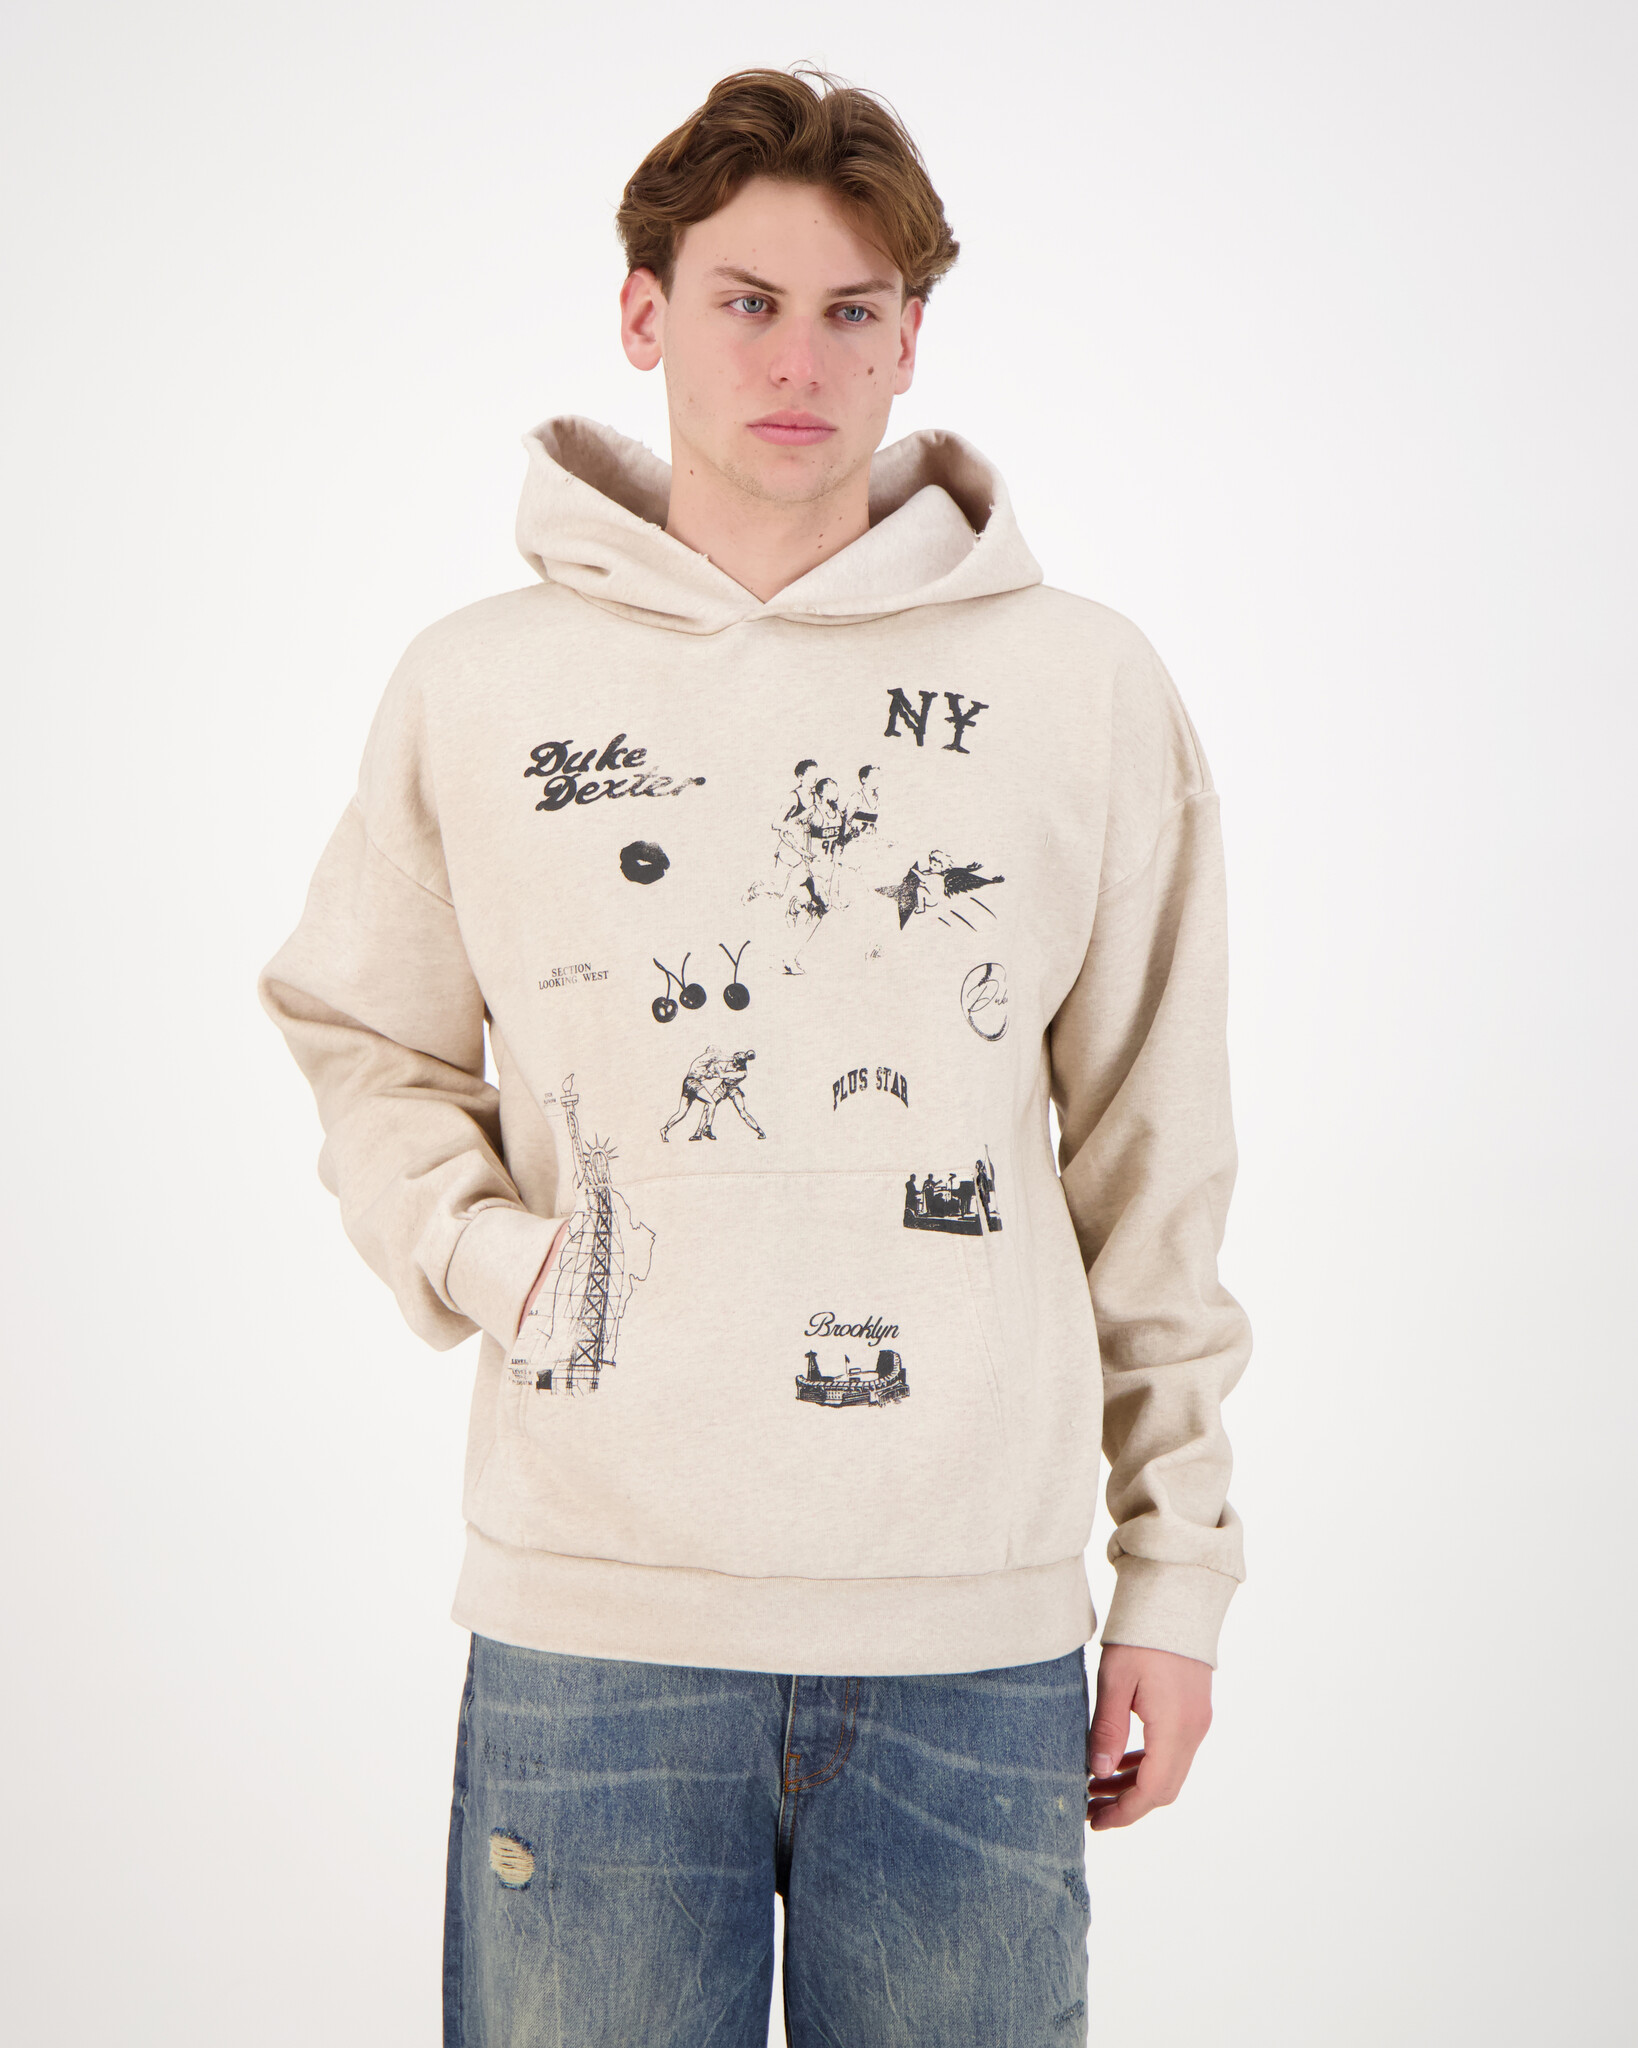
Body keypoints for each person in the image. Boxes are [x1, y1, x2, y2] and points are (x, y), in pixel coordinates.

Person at [259, 64, 1250, 2048]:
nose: (799, 360)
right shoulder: (481, 686)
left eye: (851, 309)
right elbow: (362, 1033)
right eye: (746, 302)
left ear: (910, 339)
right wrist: (488, 1255)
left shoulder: (1080, 687)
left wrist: (1174, 1577)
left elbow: (1154, 1151)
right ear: (644, 316)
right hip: (596, 1628)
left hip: (970, 1632)